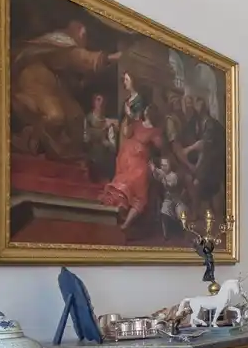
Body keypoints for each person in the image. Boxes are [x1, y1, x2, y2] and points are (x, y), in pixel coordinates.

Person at [10, 20, 121, 159]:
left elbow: (73, 77)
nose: (85, 40)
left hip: (53, 82)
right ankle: (35, 139)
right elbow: (81, 58)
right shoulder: (61, 41)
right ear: (79, 31)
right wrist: (111, 58)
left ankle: (65, 154)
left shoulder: (65, 45)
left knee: (77, 117)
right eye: (84, 35)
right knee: (56, 116)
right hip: (36, 78)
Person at [101, 79, 165, 232]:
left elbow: (161, 147)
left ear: (152, 114)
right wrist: (129, 117)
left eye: (148, 110)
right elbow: (126, 132)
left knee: (139, 190)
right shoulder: (137, 124)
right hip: (126, 159)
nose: (146, 111)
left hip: (140, 163)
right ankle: (119, 216)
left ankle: (126, 224)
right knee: (122, 184)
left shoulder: (155, 131)